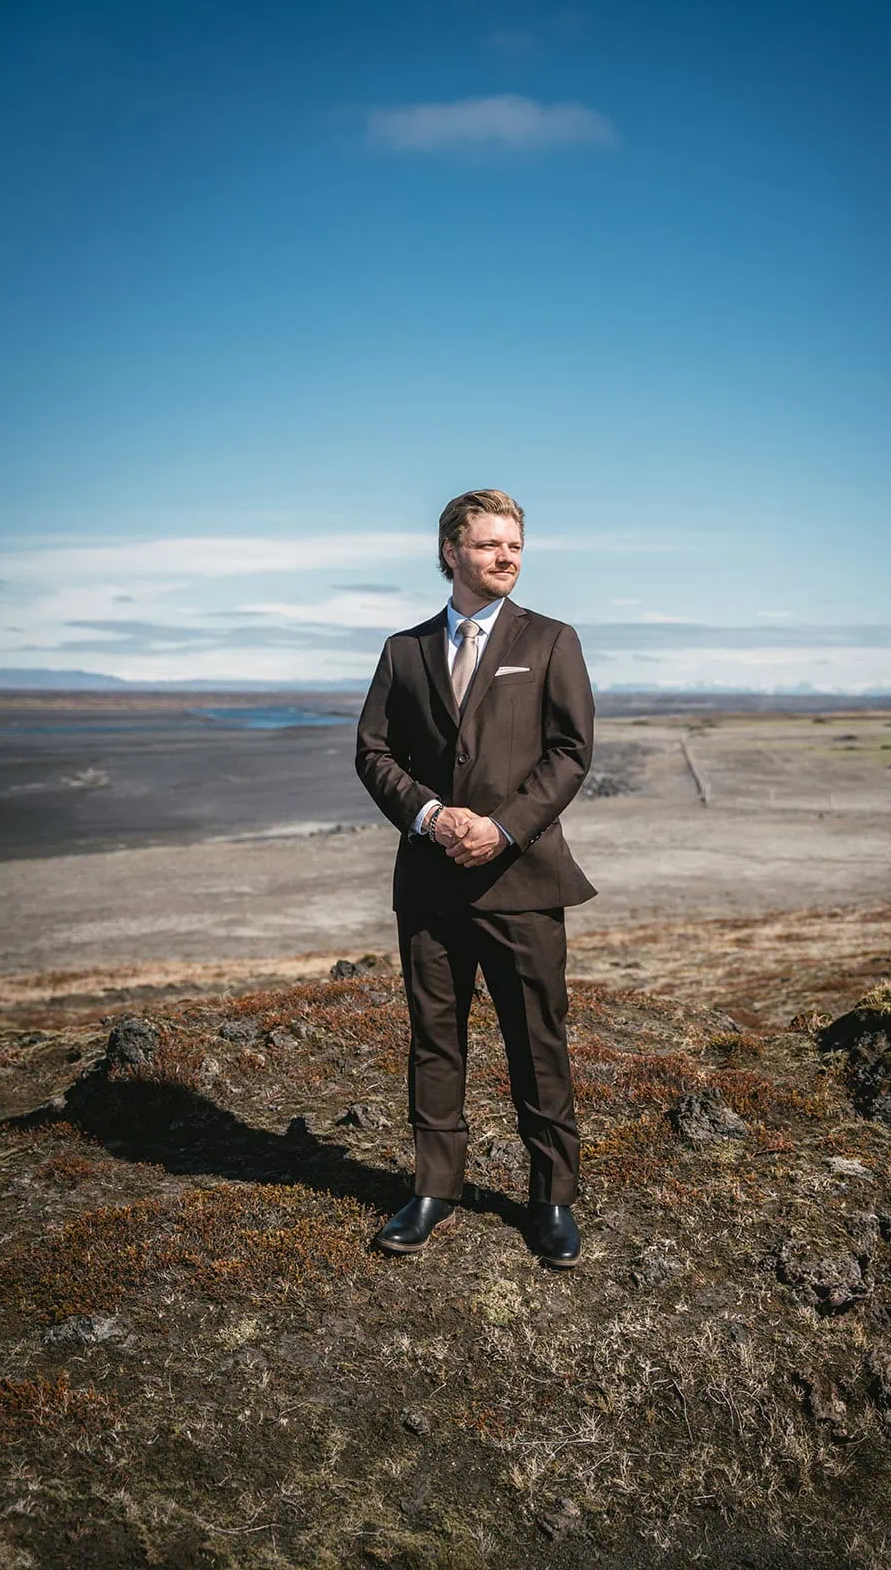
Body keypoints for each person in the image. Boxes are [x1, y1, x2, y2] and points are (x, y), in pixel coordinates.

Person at [355, 488, 596, 1267]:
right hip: (429, 882)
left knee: (538, 1040)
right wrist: (430, 816)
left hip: (522, 879)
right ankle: (433, 1188)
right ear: (450, 552)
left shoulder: (552, 640)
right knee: (434, 1039)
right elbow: (373, 753)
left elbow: (570, 751)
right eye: (490, 545)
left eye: (516, 547)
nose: (506, 558)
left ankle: (552, 1197)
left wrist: (499, 829)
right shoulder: (404, 649)